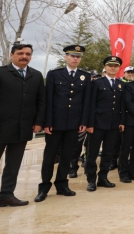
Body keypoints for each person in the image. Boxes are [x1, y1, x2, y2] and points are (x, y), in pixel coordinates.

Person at [0, 41, 44, 216]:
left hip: (21, 129)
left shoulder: (36, 76)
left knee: (13, 167)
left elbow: (40, 101)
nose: (24, 56)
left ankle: (6, 196)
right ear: (12, 55)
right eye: (21, 53)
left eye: (28, 54)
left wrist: (38, 122)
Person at [34, 45, 90, 203]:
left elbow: (86, 102)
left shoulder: (84, 76)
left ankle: (62, 185)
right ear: (66, 57)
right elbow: (48, 99)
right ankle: (44, 187)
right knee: (50, 156)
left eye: (78, 56)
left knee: (67, 156)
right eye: (72, 56)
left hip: (74, 123)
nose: (75, 59)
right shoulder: (54, 74)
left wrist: (83, 121)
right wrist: (47, 122)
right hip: (55, 124)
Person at [84, 56, 125, 192]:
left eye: (116, 66)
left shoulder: (120, 84)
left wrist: (122, 122)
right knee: (92, 153)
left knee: (108, 153)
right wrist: (89, 124)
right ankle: (91, 179)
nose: (113, 68)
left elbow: (121, 106)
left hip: (113, 124)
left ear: (119, 68)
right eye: (110, 65)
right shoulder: (96, 83)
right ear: (105, 67)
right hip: (97, 123)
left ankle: (103, 178)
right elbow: (90, 104)